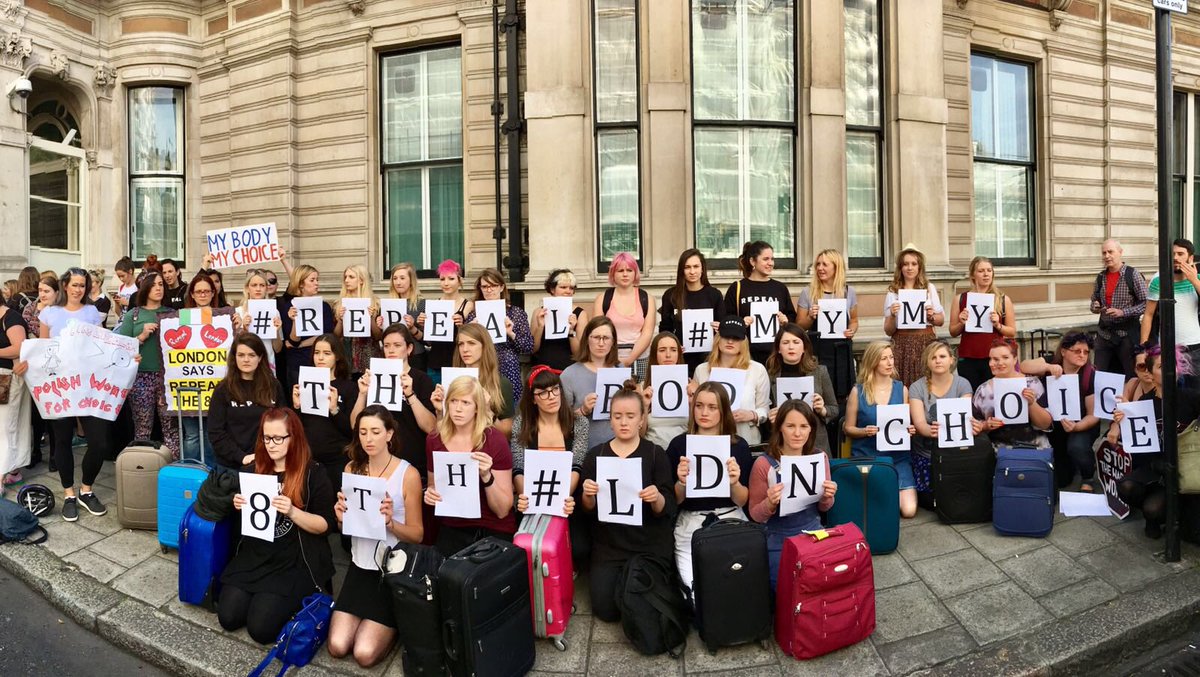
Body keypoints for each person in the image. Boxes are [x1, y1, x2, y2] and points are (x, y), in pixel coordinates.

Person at [218, 408, 336, 645]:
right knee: (228, 617)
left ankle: (294, 600)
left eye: (278, 438)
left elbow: (326, 525)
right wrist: (238, 504)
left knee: (261, 630)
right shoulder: (253, 469)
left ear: (294, 438)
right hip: (256, 555)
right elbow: (251, 520)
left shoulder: (313, 473)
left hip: (293, 561)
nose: (271, 444)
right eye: (266, 437)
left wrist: (293, 512)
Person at [329, 406, 424, 668]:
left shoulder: (408, 474)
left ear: (389, 434)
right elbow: (346, 526)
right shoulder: (353, 467)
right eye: (363, 432)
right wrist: (339, 516)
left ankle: (393, 625)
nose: (369, 439)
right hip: (360, 566)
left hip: (391, 571)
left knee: (364, 653)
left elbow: (417, 534)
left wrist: (391, 522)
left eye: (375, 432)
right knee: (337, 646)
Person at [579, 385, 676, 622]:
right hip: (610, 546)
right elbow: (586, 512)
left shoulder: (655, 454)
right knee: (606, 611)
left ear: (642, 420)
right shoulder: (596, 455)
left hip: (648, 543)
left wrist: (657, 498)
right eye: (617, 416)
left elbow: (669, 506)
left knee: (647, 605)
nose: (624, 422)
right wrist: (587, 495)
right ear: (610, 420)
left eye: (631, 416)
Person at [30, 268, 109, 521]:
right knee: (61, 441)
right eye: (74, 285)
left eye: (82, 285)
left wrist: (128, 357)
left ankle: (87, 489)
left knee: (99, 442)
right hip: (60, 388)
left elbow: (102, 347)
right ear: (65, 285)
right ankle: (69, 494)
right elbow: (42, 350)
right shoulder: (49, 313)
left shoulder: (92, 312)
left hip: (88, 388)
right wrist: (26, 364)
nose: (78, 290)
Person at [665, 382, 752, 595]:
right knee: (696, 593)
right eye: (699, 405)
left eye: (712, 407)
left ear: (723, 411)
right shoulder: (678, 445)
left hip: (731, 518)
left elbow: (743, 500)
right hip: (690, 522)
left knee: (735, 587)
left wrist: (734, 483)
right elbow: (673, 500)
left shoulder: (738, 446)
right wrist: (681, 482)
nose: (704, 412)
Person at [1107, 345, 1200, 538]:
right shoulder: (1142, 405)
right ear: (1149, 373)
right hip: (1157, 470)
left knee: (1191, 533)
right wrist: (1123, 423)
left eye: (1172, 365)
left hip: (1189, 468)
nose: (1168, 370)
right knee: (1133, 492)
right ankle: (1157, 517)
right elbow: (1139, 454)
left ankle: (1181, 514)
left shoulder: (1191, 397)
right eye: (1160, 366)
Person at [748, 400, 837, 589]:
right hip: (778, 538)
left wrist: (827, 496)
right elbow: (755, 513)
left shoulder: (820, 457)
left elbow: (825, 507)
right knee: (783, 589)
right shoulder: (764, 464)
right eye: (790, 426)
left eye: (804, 426)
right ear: (780, 427)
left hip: (813, 531)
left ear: (811, 429)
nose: (798, 433)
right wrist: (769, 503)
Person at [423, 376, 515, 556]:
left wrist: (487, 476)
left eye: (465, 402)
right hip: (453, 524)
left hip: (490, 526)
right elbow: (435, 486)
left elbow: (503, 510)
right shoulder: (434, 440)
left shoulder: (494, 440)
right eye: (453, 401)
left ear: (477, 408)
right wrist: (430, 494)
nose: (457, 408)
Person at [350, 323, 437, 478]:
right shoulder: (372, 379)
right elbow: (355, 425)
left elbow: (431, 427)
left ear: (409, 349)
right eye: (387, 345)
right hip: (377, 462)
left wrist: (410, 395)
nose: (391, 350)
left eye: (397, 345)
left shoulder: (421, 379)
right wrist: (362, 394)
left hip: (412, 461)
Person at [843, 341, 918, 518]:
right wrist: (864, 431)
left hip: (897, 458)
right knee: (879, 507)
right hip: (867, 454)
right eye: (883, 358)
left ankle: (885, 495)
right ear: (872, 361)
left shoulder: (902, 389)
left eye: (891, 357)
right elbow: (848, 428)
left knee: (909, 510)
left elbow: (905, 424)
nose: (889, 362)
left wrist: (909, 430)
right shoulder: (858, 391)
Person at [1021, 333, 1101, 492]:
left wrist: (1077, 427)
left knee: (1077, 446)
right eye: (1077, 350)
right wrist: (1047, 367)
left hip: (1081, 424)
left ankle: (1088, 475)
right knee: (1062, 480)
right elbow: (1023, 366)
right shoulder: (1051, 363)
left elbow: (1094, 414)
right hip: (1055, 426)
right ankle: (1072, 464)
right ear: (1064, 351)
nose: (1082, 355)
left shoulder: (1089, 374)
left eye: (1086, 352)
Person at [172, 272, 237, 460]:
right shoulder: (182, 317)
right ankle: (192, 470)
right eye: (198, 291)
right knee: (192, 435)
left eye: (206, 291)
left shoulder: (224, 317)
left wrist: (238, 327)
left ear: (213, 293)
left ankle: (209, 473)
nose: (202, 295)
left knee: (212, 434)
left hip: (215, 387)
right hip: (188, 388)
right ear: (191, 294)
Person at [114, 272, 179, 459]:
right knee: (143, 425)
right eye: (154, 285)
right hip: (141, 377)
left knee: (171, 427)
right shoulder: (133, 315)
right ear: (145, 288)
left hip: (168, 376)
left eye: (161, 284)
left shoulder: (171, 314)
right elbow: (122, 349)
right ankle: (141, 468)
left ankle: (173, 469)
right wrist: (141, 337)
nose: (159, 288)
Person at [510, 366, 588, 508]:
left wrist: (560, 501)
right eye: (543, 393)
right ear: (533, 399)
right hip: (531, 500)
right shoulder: (521, 424)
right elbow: (519, 467)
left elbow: (576, 466)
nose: (551, 396)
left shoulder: (579, 423)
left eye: (555, 389)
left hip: (567, 502)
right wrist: (528, 499)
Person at [208, 334, 287, 471]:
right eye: (241, 355)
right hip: (230, 468)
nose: (246, 360)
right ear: (234, 358)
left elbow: (284, 425)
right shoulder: (223, 389)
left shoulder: (273, 386)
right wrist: (241, 457)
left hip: (268, 464)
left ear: (260, 357)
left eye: (251, 355)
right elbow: (215, 432)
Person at [908, 341, 976, 497]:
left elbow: (965, 419)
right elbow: (919, 423)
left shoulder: (962, 384)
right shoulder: (917, 387)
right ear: (927, 361)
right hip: (926, 451)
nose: (938, 360)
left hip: (956, 451)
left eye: (942, 356)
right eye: (933, 357)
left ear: (952, 360)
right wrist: (930, 431)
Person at [291, 334, 355, 494]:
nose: (320, 358)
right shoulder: (303, 384)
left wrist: (334, 410)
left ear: (337, 357)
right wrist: (297, 407)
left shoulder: (349, 387)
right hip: (310, 460)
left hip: (338, 460)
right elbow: (296, 429)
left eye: (327, 353)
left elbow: (352, 430)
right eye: (316, 353)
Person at [692, 318, 771, 446]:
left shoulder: (757, 369)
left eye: (736, 338)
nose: (730, 341)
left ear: (743, 342)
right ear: (718, 339)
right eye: (725, 337)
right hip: (709, 440)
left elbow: (764, 408)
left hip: (745, 437)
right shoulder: (702, 370)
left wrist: (751, 415)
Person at [430, 323, 515, 437]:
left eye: (471, 343)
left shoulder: (501, 383)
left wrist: (487, 411)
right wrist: (440, 412)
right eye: (461, 344)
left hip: (486, 448)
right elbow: (441, 432)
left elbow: (507, 433)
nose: (465, 349)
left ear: (484, 346)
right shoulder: (451, 380)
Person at [797, 249, 858, 405]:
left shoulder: (848, 291)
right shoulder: (808, 292)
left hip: (841, 351)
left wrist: (852, 330)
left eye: (825, 264)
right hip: (817, 350)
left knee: (842, 394)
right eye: (818, 264)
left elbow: (854, 320)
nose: (820, 268)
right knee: (818, 391)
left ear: (836, 267)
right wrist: (810, 316)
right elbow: (799, 326)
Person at [765, 323, 839, 452]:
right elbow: (765, 413)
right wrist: (770, 417)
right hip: (783, 444)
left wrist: (822, 410)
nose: (791, 347)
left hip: (816, 442)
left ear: (804, 347)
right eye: (786, 342)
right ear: (778, 348)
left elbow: (834, 409)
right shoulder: (770, 375)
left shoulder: (820, 372)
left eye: (796, 342)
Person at [949, 256, 1017, 390]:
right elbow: (952, 331)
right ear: (973, 275)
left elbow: (1012, 331)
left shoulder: (1003, 299)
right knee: (971, 396)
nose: (986, 274)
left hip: (994, 358)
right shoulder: (960, 299)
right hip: (968, 357)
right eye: (981, 271)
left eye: (989, 270)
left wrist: (998, 325)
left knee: (993, 396)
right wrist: (962, 322)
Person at [724, 241, 796, 365]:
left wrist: (785, 321)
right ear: (753, 261)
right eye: (766, 259)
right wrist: (741, 323)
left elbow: (792, 318)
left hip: (775, 355)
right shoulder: (737, 288)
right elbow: (726, 320)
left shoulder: (780, 288)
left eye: (772, 259)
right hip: (746, 354)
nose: (771, 263)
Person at [466, 268, 533, 401]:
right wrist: (471, 331)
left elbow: (528, 347)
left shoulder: (515, 313)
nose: (489, 290)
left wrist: (511, 333)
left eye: (493, 286)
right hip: (482, 367)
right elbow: (464, 345)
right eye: (485, 286)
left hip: (507, 368)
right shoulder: (473, 314)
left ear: (502, 287)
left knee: (508, 409)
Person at [972, 339, 1052, 449]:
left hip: (1034, 447)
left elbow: (1045, 424)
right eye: (994, 359)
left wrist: (1032, 404)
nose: (999, 363)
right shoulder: (983, 390)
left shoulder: (1032, 384)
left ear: (1015, 359)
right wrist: (986, 425)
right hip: (998, 451)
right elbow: (975, 426)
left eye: (1005, 357)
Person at [883, 245, 945, 386]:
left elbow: (941, 320)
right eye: (905, 264)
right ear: (900, 268)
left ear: (919, 267)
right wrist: (892, 315)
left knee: (927, 383)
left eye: (913, 264)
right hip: (901, 343)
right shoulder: (893, 292)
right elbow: (888, 330)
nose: (909, 268)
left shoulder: (929, 288)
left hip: (925, 341)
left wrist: (931, 316)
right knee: (902, 383)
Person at [659, 249, 724, 376]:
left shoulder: (714, 295)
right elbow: (665, 329)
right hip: (680, 359)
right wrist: (673, 345)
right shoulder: (671, 295)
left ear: (702, 269)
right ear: (681, 270)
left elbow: (723, 327)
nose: (692, 271)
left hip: (708, 358)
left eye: (696, 266)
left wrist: (720, 327)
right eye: (687, 267)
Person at [561, 316, 621, 450]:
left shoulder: (620, 370)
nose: (601, 343)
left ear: (613, 342)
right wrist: (583, 410)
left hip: (619, 448)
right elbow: (560, 421)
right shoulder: (570, 374)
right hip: (584, 450)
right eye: (596, 337)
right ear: (587, 339)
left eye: (606, 338)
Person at [1091, 240, 1147, 379]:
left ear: (1120, 253)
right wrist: (1095, 306)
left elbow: (1146, 303)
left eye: (1110, 252)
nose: (1107, 256)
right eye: (1104, 253)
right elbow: (1093, 301)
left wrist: (1123, 312)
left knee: (1131, 375)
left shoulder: (1132, 274)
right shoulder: (1100, 277)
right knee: (1099, 375)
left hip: (1126, 335)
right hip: (1104, 335)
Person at [595, 252, 656, 380]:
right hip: (609, 358)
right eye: (620, 270)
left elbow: (647, 333)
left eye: (629, 270)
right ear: (613, 274)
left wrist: (629, 359)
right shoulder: (603, 299)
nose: (625, 274)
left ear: (635, 273)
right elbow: (597, 331)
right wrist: (613, 358)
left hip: (640, 358)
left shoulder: (647, 298)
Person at [1142, 239, 1200, 364]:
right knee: (1169, 383)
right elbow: (1148, 314)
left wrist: (1194, 280)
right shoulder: (1159, 281)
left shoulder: (1198, 280)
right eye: (1172, 254)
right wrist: (1142, 348)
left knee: (1193, 384)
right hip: (1167, 345)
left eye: (1180, 254)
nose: (1175, 257)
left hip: (1194, 344)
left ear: (1190, 258)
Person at [417, 259, 473, 386]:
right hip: (436, 363)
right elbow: (429, 342)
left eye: (451, 279)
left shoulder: (468, 305)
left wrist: (462, 325)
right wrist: (424, 326)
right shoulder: (433, 305)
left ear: (459, 281)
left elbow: (473, 336)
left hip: (459, 363)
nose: (446, 283)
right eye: (442, 279)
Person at [282, 264, 335, 391]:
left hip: (319, 362)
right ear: (301, 284)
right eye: (312, 280)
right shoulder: (289, 307)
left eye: (317, 280)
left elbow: (326, 336)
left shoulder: (324, 307)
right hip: (297, 363)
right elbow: (293, 340)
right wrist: (295, 321)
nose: (317, 283)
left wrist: (300, 344)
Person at [21, 275, 56, 470]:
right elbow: (24, 328)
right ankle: (35, 451)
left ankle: (54, 455)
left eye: (46, 291)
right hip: (34, 365)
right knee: (35, 413)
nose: (42, 294)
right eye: (40, 290)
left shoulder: (59, 310)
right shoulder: (30, 308)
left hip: (53, 366)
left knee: (51, 412)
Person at [530, 268, 588, 371]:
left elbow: (579, 353)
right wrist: (540, 327)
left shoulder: (580, 314)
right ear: (552, 289)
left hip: (569, 369)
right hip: (543, 370)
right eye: (563, 287)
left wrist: (571, 331)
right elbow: (533, 348)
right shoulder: (538, 312)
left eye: (571, 288)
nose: (568, 291)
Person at [640, 332, 690, 449]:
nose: (668, 355)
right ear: (654, 354)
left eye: (673, 350)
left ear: (679, 353)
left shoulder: (690, 386)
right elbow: (639, 435)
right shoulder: (642, 388)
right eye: (662, 350)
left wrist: (692, 404)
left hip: (683, 451)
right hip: (653, 451)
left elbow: (698, 429)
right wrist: (645, 406)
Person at [0, 298, 29, 490]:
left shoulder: (11, 317)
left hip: (7, 378)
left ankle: (1, 476)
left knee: (5, 428)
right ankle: (13, 471)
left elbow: (19, 347)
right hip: (5, 378)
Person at [334, 264, 382, 377]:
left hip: (369, 356)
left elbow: (378, 336)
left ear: (361, 280)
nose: (346, 280)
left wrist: (371, 319)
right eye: (345, 277)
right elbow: (335, 335)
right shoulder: (339, 304)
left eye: (351, 277)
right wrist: (340, 320)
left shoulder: (376, 303)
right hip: (347, 355)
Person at [381, 262, 427, 372]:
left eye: (402, 278)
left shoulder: (421, 304)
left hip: (416, 357)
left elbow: (427, 341)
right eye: (395, 278)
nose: (398, 282)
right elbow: (381, 337)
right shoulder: (387, 304)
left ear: (411, 281)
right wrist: (380, 325)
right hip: (393, 357)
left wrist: (413, 328)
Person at [233, 270, 284, 361]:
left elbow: (278, 349)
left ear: (267, 289)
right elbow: (234, 348)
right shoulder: (238, 312)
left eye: (262, 285)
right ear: (247, 288)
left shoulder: (274, 312)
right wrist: (244, 330)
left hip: (267, 363)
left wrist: (276, 331)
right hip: (246, 363)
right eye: (254, 285)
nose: (258, 289)